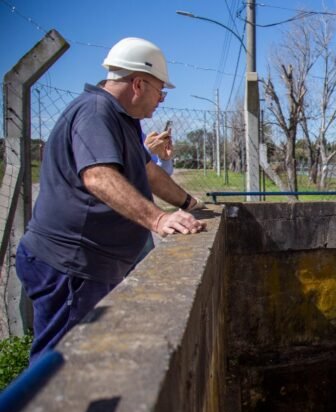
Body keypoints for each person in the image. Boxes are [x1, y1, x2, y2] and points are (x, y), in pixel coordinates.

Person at [15, 37, 206, 362]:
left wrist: (188, 203)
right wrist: (159, 219)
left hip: (88, 267)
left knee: (86, 359)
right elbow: (98, 176)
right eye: (161, 90)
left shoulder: (124, 120)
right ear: (138, 83)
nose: (161, 99)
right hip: (70, 266)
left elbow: (148, 172)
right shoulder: (95, 111)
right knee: (61, 368)